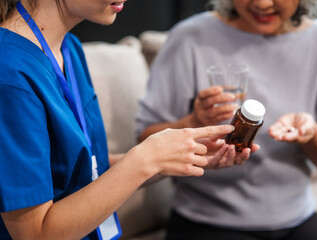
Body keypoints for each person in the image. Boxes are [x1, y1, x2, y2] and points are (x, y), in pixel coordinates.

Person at [0, 0, 258, 239]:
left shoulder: (68, 48)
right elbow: (35, 234)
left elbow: (88, 170)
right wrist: (144, 159)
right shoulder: (9, 74)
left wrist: (172, 156)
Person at [136, 0, 317, 239]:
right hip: (206, 220)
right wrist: (193, 121)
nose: (262, 4)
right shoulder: (190, 37)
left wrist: (312, 134)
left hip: (296, 218)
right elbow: (145, 142)